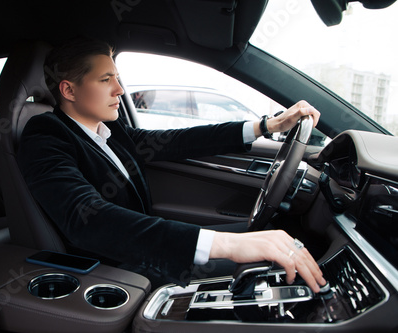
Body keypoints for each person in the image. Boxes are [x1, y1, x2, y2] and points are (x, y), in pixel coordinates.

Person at [18, 37, 325, 291]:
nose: (120, 91)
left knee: (277, 232)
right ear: (69, 90)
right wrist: (227, 245)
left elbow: (178, 140)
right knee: (268, 263)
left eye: (117, 78)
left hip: (147, 248)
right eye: (105, 80)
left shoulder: (108, 131)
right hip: (117, 268)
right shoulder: (45, 135)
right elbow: (87, 219)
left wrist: (268, 126)